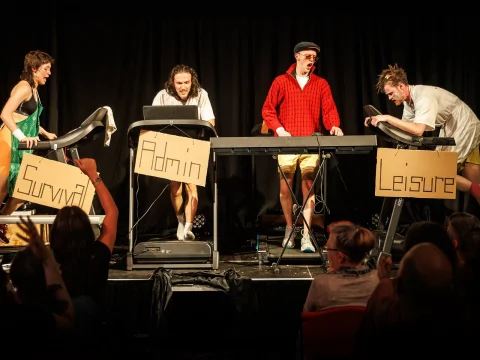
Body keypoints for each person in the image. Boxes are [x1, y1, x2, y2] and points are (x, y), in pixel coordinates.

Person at [262, 41, 344, 252]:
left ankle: (307, 234)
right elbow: (268, 110)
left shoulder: (320, 84)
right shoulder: (281, 81)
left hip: (309, 144)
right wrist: (280, 130)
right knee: (285, 187)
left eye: (314, 58)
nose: (311, 61)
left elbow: (329, 110)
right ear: (297, 56)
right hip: (287, 143)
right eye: (307, 56)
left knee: (308, 186)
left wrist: (334, 126)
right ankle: (290, 229)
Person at [365, 63, 480, 205]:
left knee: (439, 170)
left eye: (391, 93)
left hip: (462, 124)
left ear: (401, 86)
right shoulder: (409, 102)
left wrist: (387, 117)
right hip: (453, 125)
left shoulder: (423, 97)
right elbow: (405, 130)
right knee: (472, 180)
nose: (389, 98)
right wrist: (377, 121)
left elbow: (418, 130)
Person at [152, 64, 215, 241]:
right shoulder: (162, 96)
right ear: (172, 83)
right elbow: (152, 120)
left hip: (193, 145)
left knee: (191, 187)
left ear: (192, 81)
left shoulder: (201, 94)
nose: (183, 86)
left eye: (186, 82)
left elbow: (210, 121)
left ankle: (188, 227)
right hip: (171, 146)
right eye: (179, 83)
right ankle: (181, 221)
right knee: (176, 190)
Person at [0, 50, 57, 240]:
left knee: (25, 189)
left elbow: (27, 118)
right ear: (34, 68)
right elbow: (6, 114)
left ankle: (3, 221)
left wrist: (45, 132)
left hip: (23, 143)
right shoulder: (23, 87)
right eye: (46, 69)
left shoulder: (34, 90)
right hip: (10, 141)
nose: (49, 73)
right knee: (3, 189)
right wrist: (22, 137)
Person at [303, 221, 378, 311]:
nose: (327, 252)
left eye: (328, 249)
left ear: (340, 257)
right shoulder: (379, 280)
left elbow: (307, 318)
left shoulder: (322, 284)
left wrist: (330, 276)